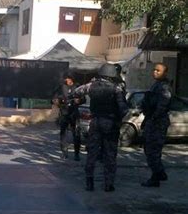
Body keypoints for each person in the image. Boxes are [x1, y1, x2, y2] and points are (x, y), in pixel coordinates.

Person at [72, 64, 128, 192]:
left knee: (92, 153)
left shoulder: (91, 86)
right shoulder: (116, 88)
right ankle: (108, 184)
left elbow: (76, 92)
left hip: (95, 122)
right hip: (110, 123)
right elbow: (124, 109)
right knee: (110, 154)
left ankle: (89, 183)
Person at [140, 63, 172, 187]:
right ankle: (156, 176)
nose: (155, 72)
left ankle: (159, 173)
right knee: (149, 150)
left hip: (158, 122)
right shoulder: (156, 85)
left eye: (158, 71)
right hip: (152, 120)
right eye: (154, 70)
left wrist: (153, 117)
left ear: (165, 73)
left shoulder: (164, 87)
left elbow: (162, 105)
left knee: (153, 150)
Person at [52, 74, 83, 161]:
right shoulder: (61, 87)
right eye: (66, 79)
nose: (67, 80)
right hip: (64, 112)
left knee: (76, 134)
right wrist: (57, 101)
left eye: (69, 79)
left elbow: (83, 98)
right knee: (63, 133)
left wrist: (79, 100)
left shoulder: (78, 87)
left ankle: (77, 154)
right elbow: (53, 98)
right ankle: (64, 153)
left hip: (74, 113)